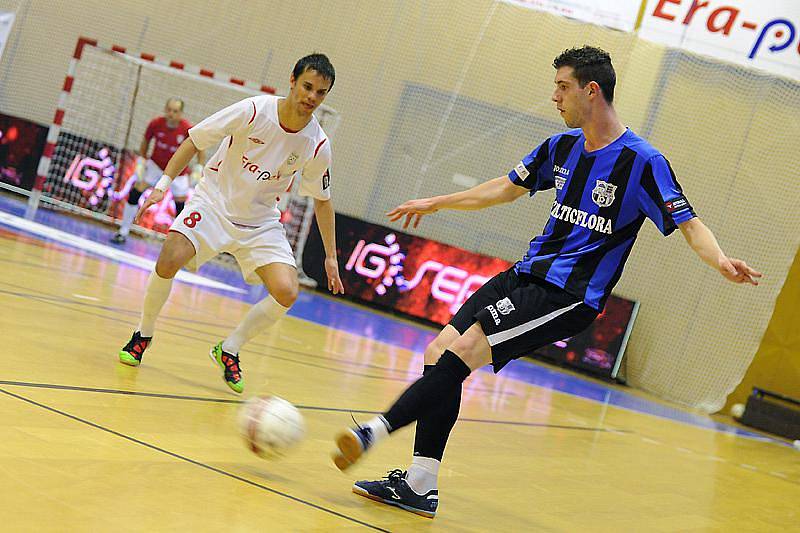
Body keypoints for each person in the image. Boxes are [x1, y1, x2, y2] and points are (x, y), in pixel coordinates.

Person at [332, 46, 761, 518]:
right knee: (439, 353)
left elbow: (689, 223)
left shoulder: (642, 161)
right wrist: (439, 201)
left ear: (590, 90)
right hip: (524, 274)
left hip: (569, 294)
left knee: (462, 353)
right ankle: (421, 484)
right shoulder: (559, 147)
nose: (554, 97)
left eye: (562, 87)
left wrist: (719, 259)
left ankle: (372, 431)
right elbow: (503, 188)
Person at [117, 54, 344, 394]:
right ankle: (143, 333)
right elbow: (195, 139)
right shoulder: (254, 110)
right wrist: (162, 186)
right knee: (168, 259)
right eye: (308, 87)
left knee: (286, 291)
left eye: (321, 93)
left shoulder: (318, 143)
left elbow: (322, 200)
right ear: (293, 80)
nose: (312, 97)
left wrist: (330, 256)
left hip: (261, 221)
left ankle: (230, 348)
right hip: (213, 203)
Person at [111, 98, 205, 244]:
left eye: (175, 111)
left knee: (181, 207)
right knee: (135, 193)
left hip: (178, 172)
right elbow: (145, 141)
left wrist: (198, 167)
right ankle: (123, 231)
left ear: (180, 113)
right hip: (156, 167)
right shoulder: (156, 124)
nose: (171, 114)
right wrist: (142, 160)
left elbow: (200, 147)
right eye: (169, 110)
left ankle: (175, 244)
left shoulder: (187, 129)